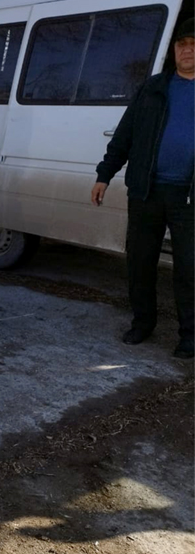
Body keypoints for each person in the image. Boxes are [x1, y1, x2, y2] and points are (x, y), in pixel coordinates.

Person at [91, 18, 194, 359]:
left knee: (190, 267)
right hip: (146, 190)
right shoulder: (152, 89)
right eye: (182, 44)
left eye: (194, 45)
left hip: (189, 197)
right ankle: (142, 323)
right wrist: (104, 175)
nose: (188, 50)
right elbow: (125, 135)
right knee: (140, 262)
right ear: (174, 50)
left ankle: (190, 335)